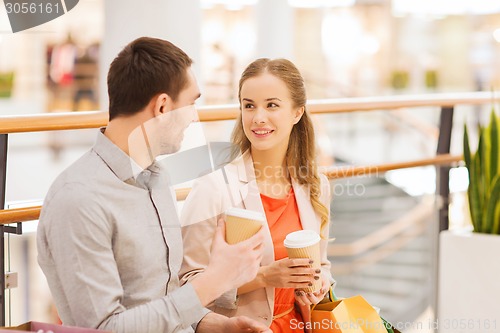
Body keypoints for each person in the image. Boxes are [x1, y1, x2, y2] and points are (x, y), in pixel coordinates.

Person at [37, 36, 272, 333]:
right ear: (162, 106)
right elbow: (104, 329)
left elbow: (164, 295)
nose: (194, 118)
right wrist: (213, 281)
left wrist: (213, 324)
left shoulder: (157, 178)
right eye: (191, 104)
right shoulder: (78, 200)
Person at [180, 58, 335, 332]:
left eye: (272, 105)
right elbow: (186, 288)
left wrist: (320, 282)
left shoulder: (315, 185)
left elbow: (321, 263)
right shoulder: (214, 188)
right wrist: (263, 277)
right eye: (248, 105)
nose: (258, 117)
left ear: (297, 112)